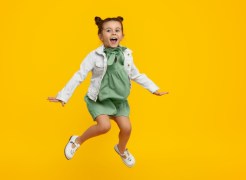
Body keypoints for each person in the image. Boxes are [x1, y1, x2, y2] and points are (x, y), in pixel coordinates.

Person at [48, 16, 168, 167]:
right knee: (104, 127)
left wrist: (153, 89)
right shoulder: (94, 56)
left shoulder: (126, 55)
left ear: (122, 36)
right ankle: (76, 141)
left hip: (119, 100)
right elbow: (79, 75)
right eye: (108, 30)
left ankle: (121, 149)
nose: (114, 33)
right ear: (100, 36)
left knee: (127, 128)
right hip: (99, 98)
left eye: (117, 30)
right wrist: (63, 96)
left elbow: (136, 74)